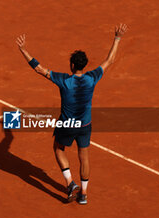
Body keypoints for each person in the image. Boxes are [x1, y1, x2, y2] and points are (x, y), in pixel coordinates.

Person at [16, 24, 127, 204]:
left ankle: (70, 183)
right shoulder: (92, 78)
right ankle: (83, 194)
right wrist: (117, 38)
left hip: (67, 125)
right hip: (85, 125)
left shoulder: (64, 80)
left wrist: (24, 50)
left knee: (58, 149)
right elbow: (110, 60)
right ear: (84, 66)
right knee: (84, 157)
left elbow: (39, 69)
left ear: (72, 65)